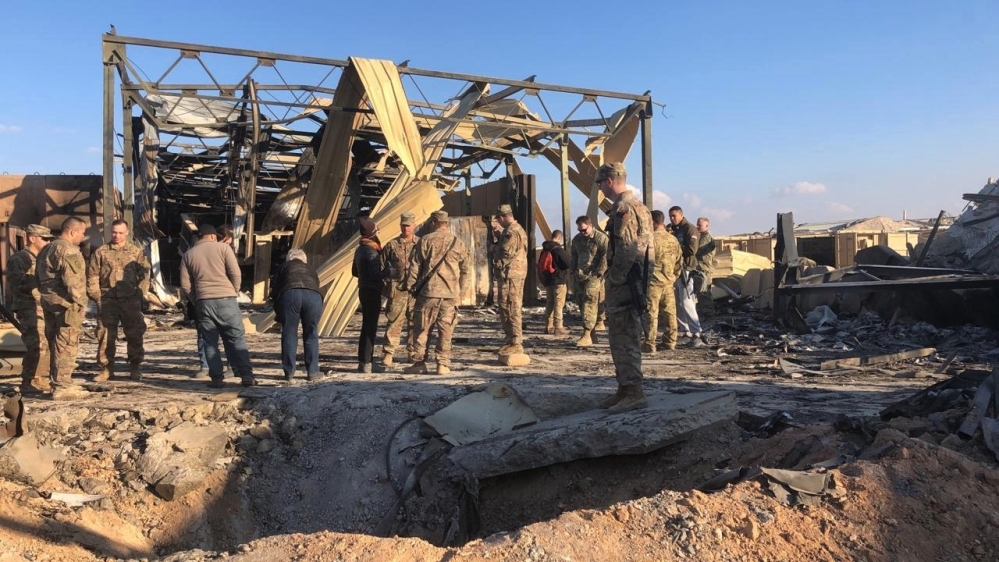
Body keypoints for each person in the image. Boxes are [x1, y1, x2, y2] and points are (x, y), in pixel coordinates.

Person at [596, 162, 654, 414]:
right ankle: (625, 388)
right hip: (636, 279)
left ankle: (633, 391)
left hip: (626, 282)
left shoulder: (623, 208)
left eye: (600, 183)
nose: (599, 188)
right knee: (623, 333)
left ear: (609, 181)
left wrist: (614, 279)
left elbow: (627, 248)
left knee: (623, 336)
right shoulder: (640, 207)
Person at [180, 223, 256, 387]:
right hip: (226, 299)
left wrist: (197, 299)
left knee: (210, 342)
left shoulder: (188, 254)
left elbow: (185, 285)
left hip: (204, 302)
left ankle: (217, 379)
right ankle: (247, 376)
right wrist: (234, 290)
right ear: (214, 236)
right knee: (237, 339)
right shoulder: (223, 249)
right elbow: (235, 272)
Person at [404, 210, 470, 375]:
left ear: (433, 223)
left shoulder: (425, 241)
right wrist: (460, 291)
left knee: (422, 329)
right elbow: (466, 270)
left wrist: (412, 287)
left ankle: (419, 363)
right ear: (446, 223)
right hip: (450, 295)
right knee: (445, 330)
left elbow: (415, 266)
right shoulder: (458, 242)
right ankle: (442, 364)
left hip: (428, 293)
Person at [87, 219, 150, 381]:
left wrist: (140, 294)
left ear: (127, 233)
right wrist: (97, 297)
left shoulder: (135, 252)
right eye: (114, 232)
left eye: (120, 232)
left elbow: (145, 274)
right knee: (105, 335)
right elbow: (92, 276)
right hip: (108, 300)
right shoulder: (101, 252)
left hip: (130, 300)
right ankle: (106, 369)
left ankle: (135, 367)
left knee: (134, 334)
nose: (117, 235)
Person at [36, 217, 90, 400]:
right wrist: (81, 302)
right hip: (66, 305)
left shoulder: (46, 249)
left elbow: (39, 277)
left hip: (49, 301)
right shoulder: (68, 249)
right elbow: (74, 282)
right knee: (67, 344)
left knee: (55, 343)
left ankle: (59, 381)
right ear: (72, 232)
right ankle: (61, 386)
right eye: (82, 233)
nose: (83, 237)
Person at [9, 224, 54, 395]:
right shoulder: (19, 259)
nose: (47, 242)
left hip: (43, 306)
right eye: (44, 239)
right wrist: (41, 279)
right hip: (28, 307)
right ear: (32, 238)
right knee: (35, 344)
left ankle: (39, 378)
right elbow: (17, 283)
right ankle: (28, 381)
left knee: (46, 344)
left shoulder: (43, 258)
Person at [271, 248, 322, 381]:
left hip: (290, 294)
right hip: (313, 296)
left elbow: (275, 290)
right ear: (304, 260)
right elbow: (317, 285)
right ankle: (313, 372)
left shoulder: (284, 267)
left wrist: (278, 312)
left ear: (289, 259)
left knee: (289, 332)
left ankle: (289, 373)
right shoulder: (310, 268)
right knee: (311, 333)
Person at [380, 212, 420, 366]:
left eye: (408, 226)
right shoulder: (392, 245)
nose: (406, 229)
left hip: (416, 290)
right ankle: (389, 353)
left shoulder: (421, 244)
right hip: (398, 290)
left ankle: (412, 353)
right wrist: (387, 284)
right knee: (394, 322)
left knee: (414, 323)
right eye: (403, 225)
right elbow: (381, 266)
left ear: (414, 226)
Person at [643, 211, 682, 353]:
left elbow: (642, 261)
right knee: (670, 313)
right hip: (668, 282)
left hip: (653, 282)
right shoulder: (673, 239)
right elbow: (679, 263)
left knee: (651, 313)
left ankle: (650, 342)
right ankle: (670, 342)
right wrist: (672, 277)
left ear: (652, 222)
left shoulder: (649, 239)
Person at [492, 204, 528, 355]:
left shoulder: (512, 232)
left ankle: (516, 341)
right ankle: (511, 339)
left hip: (511, 275)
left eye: (498, 219)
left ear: (502, 217)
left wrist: (495, 251)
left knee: (511, 306)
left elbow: (506, 253)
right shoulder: (511, 231)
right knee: (506, 306)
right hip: (511, 274)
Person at [352, 218, 386, 373]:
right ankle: (367, 362)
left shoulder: (359, 249)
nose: (378, 232)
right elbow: (375, 274)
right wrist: (389, 272)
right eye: (377, 230)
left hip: (363, 289)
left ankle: (363, 361)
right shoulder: (372, 250)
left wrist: (363, 274)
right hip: (372, 290)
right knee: (370, 327)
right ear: (372, 232)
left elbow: (354, 271)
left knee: (366, 325)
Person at [570, 215, 608, 347]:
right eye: (580, 230)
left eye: (584, 230)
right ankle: (592, 335)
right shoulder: (577, 239)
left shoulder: (601, 238)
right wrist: (572, 271)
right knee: (581, 303)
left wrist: (599, 273)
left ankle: (586, 334)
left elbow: (605, 256)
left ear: (590, 226)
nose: (582, 233)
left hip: (593, 276)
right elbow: (574, 255)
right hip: (580, 276)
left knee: (589, 303)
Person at [668, 205, 703, 347]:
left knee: (687, 301)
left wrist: (674, 245)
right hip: (676, 269)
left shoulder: (689, 229)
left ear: (681, 215)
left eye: (674, 216)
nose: (672, 219)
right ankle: (685, 331)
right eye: (670, 216)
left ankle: (696, 332)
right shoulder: (674, 230)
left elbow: (691, 249)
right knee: (678, 302)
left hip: (686, 269)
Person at [539, 230, 571, 336]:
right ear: (559, 238)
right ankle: (558, 327)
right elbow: (568, 263)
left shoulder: (544, 250)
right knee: (559, 303)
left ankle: (548, 326)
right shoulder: (558, 249)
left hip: (548, 280)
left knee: (550, 302)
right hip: (559, 279)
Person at [695, 216, 717, 319]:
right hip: (701, 268)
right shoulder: (702, 236)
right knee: (701, 293)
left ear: (707, 226)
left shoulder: (707, 238)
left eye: (700, 225)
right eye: (697, 224)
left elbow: (697, 251)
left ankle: (709, 316)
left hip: (705, 269)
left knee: (705, 294)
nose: (697, 227)